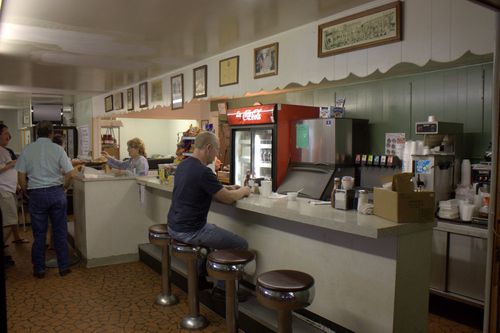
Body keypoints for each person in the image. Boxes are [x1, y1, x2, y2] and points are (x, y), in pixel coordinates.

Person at [167, 132, 250, 290]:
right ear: (208, 148)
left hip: (174, 226)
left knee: (212, 240)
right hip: (191, 230)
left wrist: (227, 187)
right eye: (217, 150)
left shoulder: (183, 165)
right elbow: (227, 198)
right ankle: (222, 289)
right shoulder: (203, 172)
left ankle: (200, 279)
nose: (217, 154)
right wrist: (244, 190)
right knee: (240, 244)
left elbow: (202, 188)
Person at [16, 121, 75, 278]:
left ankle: (39, 269)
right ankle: (64, 267)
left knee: (39, 234)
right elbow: (70, 174)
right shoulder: (58, 149)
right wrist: (64, 187)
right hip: (56, 193)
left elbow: (21, 176)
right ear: (51, 133)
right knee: (60, 232)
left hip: (36, 194)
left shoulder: (27, 150)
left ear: (36, 133)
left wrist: (26, 191)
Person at [0, 125, 28, 261]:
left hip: (9, 189)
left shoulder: (4, 150)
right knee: (9, 221)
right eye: (5, 133)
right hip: (3, 190)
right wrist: (12, 164)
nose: (8, 136)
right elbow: (4, 167)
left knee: (10, 220)